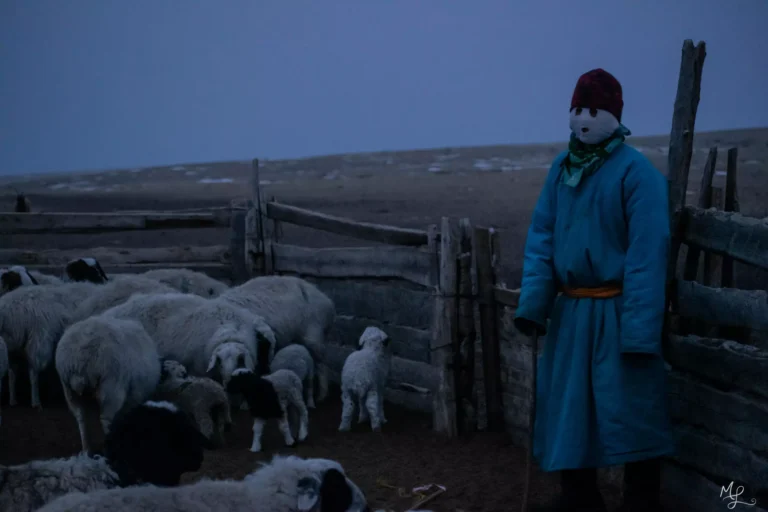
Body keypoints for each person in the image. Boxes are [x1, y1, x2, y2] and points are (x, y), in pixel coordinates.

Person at [513, 68, 674, 512]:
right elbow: (542, 236)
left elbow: (647, 254)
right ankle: (579, 499)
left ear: (613, 116)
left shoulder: (637, 174)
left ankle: (641, 502)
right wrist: (533, 305)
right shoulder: (562, 168)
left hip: (619, 313)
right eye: (578, 110)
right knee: (569, 412)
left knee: (632, 414)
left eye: (594, 110)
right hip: (571, 315)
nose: (584, 119)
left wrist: (640, 332)